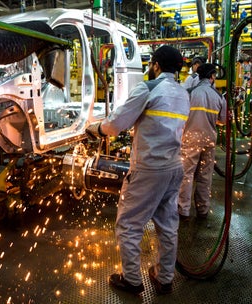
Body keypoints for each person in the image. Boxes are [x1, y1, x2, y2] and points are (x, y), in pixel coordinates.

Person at [86, 45, 190, 295]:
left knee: (129, 225)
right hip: (174, 167)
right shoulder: (183, 93)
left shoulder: (148, 88)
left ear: (155, 65)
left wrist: (95, 129)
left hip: (149, 169)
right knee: (167, 225)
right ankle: (164, 278)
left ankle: (132, 279)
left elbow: (116, 124)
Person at [178, 63, 227, 221]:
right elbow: (223, 120)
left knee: (186, 175)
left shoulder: (189, 93)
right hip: (209, 140)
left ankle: (183, 211)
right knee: (205, 175)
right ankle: (203, 210)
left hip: (190, 138)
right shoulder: (219, 97)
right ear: (212, 76)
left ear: (198, 76)